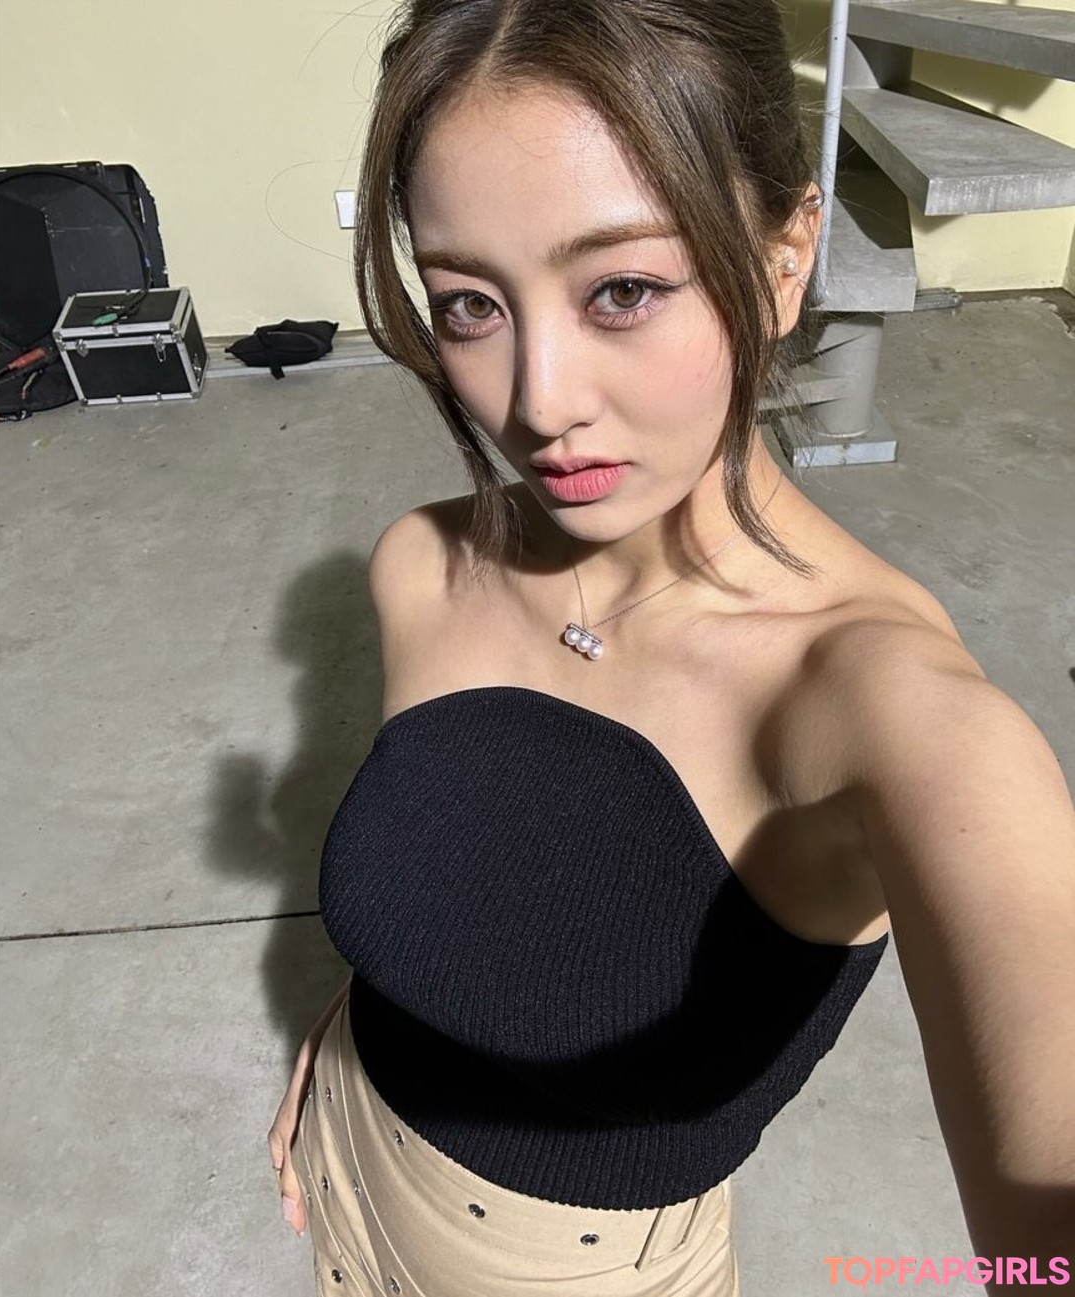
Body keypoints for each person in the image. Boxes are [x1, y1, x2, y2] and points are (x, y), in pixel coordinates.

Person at [268, 1, 1075, 1292]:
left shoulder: (892, 714)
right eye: (471, 304)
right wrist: (368, 1030)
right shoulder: (425, 566)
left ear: (784, 259)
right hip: (345, 1184)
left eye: (624, 290)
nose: (539, 402)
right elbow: (469, 879)